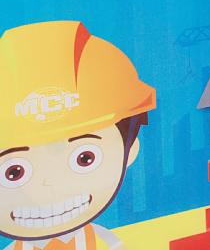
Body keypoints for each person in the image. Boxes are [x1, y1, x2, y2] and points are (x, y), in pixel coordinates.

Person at [0, 20, 155, 250]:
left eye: (85, 158)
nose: (50, 184)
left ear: (130, 150)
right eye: (14, 172)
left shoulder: (109, 243)